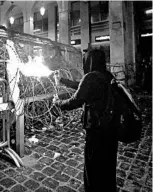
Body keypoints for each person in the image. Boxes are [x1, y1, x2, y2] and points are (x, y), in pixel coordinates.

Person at [53, 49, 119, 192]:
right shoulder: (106, 75)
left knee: (93, 169)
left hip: (97, 132)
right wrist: (64, 81)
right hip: (111, 130)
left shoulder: (91, 78)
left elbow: (74, 101)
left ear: (89, 61)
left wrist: (57, 102)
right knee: (107, 168)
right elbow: (83, 87)